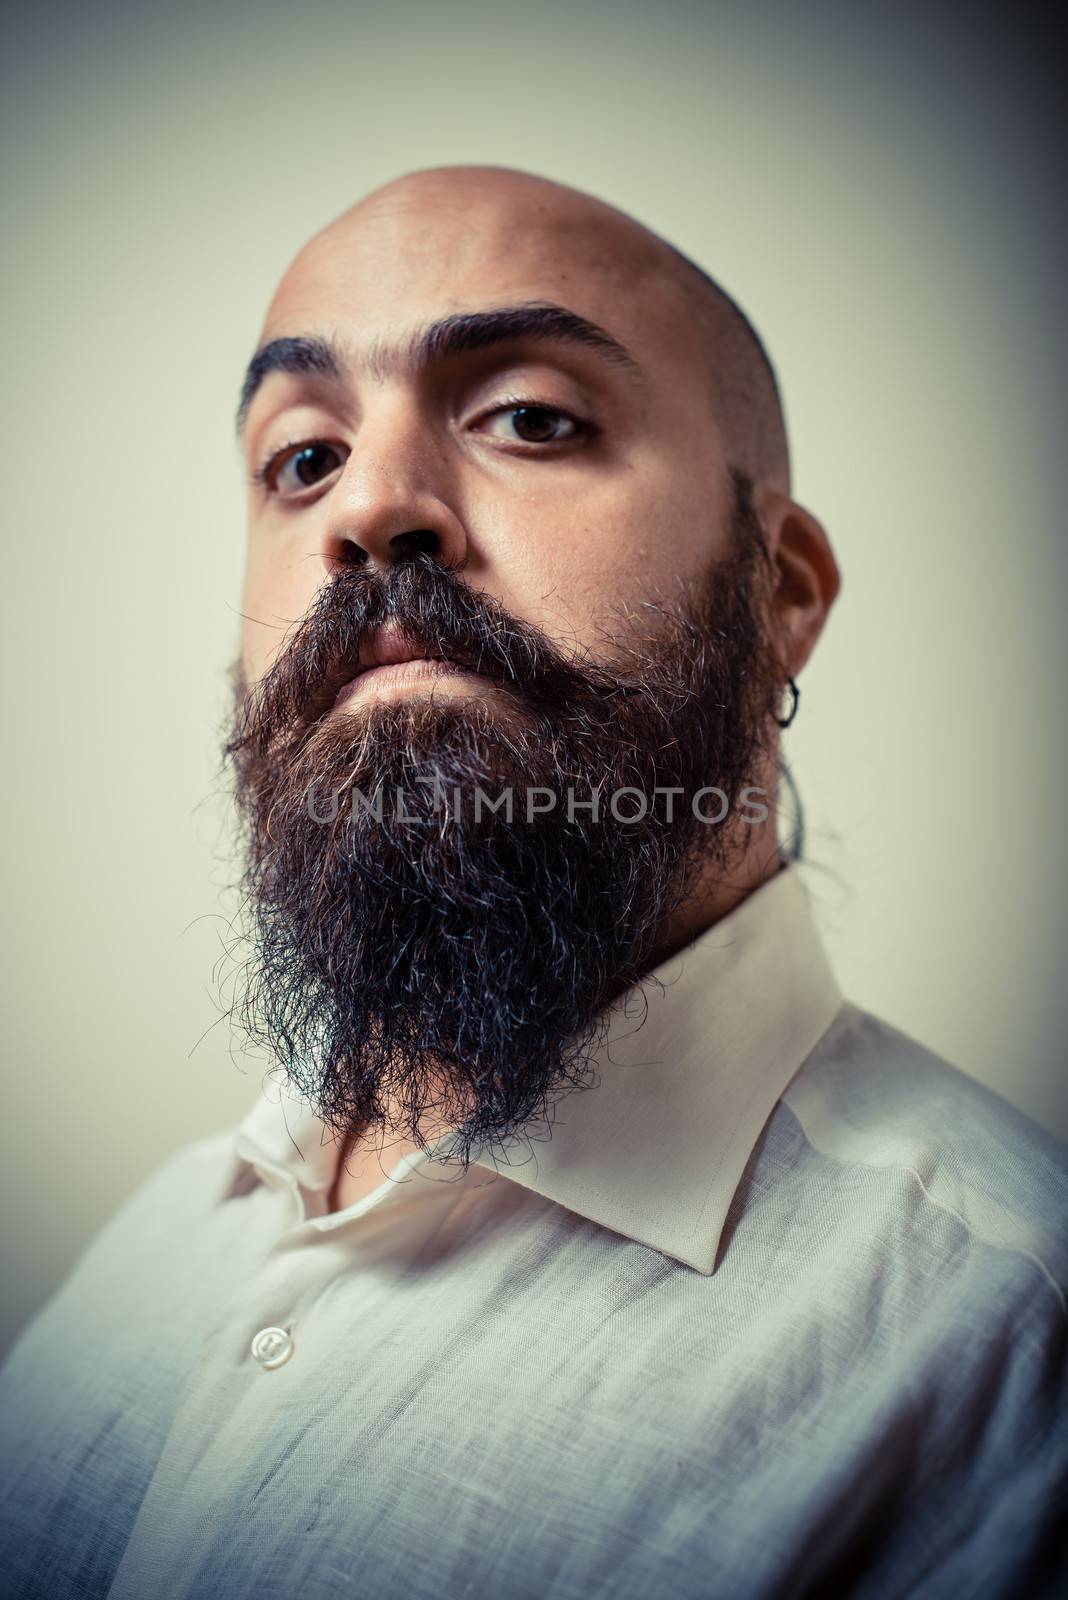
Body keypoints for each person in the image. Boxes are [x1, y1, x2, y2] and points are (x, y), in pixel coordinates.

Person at [0, 163, 1064, 1600]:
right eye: (303, 455)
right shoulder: (141, 1255)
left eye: (531, 419)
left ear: (782, 586)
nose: (368, 510)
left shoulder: (1010, 1356)